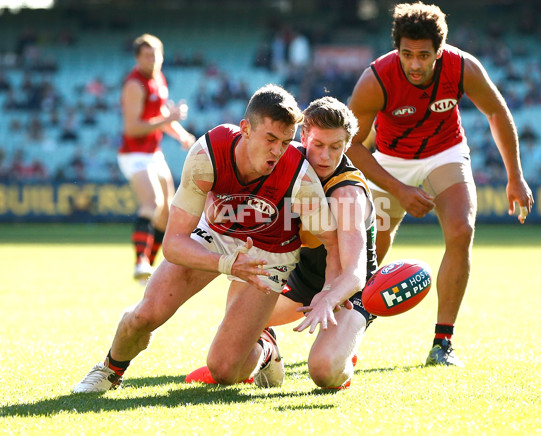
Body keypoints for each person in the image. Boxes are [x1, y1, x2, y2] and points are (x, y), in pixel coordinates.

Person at [72, 84, 343, 393]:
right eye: (270, 138)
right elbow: (174, 243)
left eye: (285, 142)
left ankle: (266, 348)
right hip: (216, 234)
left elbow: (332, 242)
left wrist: (333, 292)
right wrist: (227, 264)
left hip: (270, 254)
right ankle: (109, 371)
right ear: (245, 129)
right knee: (144, 315)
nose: (277, 151)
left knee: (225, 370)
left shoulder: (300, 176)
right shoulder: (209, 154)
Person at [346, 2, 534, 366]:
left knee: (462, 230)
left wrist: (515, 176)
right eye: (406, 54)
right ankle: (351, 328)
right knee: (370, 250)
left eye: (424, 55)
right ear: (396, 49)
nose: (415, 64)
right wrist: (400, 190)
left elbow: (496, 111)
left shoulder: (462, 66)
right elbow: (352, 144)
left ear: (440, 50)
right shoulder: (376, 79)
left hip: (445, 155)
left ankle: (442, 343)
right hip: (390, 163)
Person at [186, 96, 377, 389]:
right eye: (318, 145)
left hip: (347, 292)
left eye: (336, 148)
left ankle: (343, 356)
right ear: (303, 137)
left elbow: (354, 273)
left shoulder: (347, 193)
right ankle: (266, 350)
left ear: (347, 146)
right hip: (297, 279)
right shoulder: (280, 159)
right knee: (236, 331)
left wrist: (328, 297)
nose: (325, 156)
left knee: (324, 371)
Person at [117, 33, 196, 283]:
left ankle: (148, 268)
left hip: (153, 153)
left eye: (156, 55)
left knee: (166, 213)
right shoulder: (134, 84)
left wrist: (180, 134)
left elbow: (159, 113)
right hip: (135, 154)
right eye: (147, 55)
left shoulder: (159, 79)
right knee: (151, 203)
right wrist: (169, 120)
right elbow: (133, 128)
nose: (152, 60)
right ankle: (140, 262)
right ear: (138, 58)